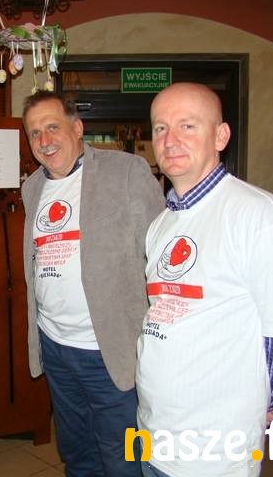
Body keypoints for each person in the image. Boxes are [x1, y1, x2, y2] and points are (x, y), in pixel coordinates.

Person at [136, 82, 273, 476]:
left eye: (187, 126)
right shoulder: (162, 224)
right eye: (161, 128)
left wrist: (264, 404)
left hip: (215, 451)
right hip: (154, 432)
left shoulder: (259, 217)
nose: (170, 140)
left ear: (220, 136)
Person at [20, 90, 164, 476]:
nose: (44, 140)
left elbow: (160, 257)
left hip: (110, 350)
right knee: (77, 452)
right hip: (56, 347)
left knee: (124, 458)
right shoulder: (32, 187)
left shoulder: (126, 171)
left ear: (78, 128)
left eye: (53, 127)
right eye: (34, 133)